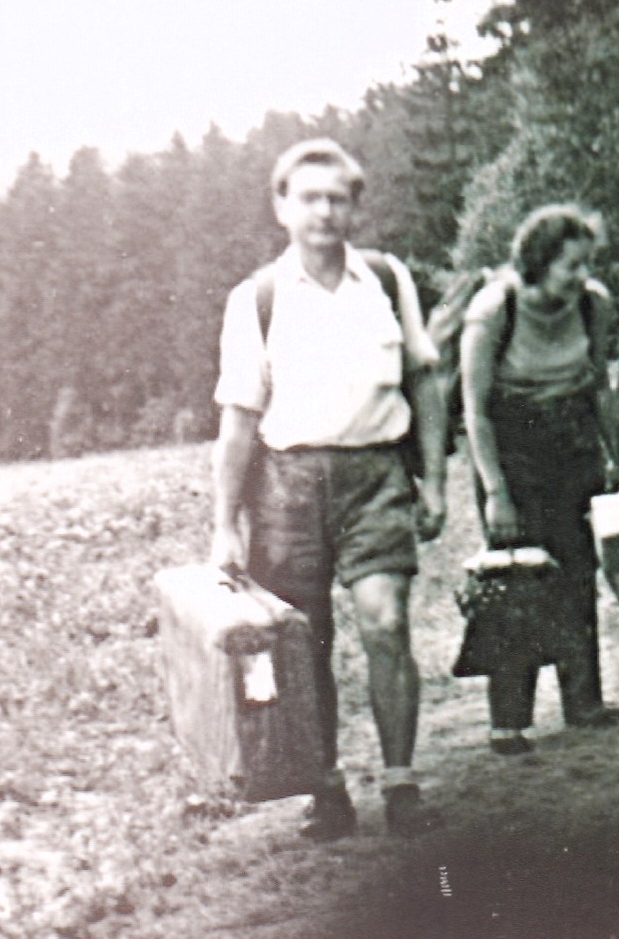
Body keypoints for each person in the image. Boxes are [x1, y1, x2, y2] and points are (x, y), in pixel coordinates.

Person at [210, 138, 447, 841]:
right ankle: (327, 788)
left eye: (338, 199)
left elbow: (425, 382)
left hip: (376, 477)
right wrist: (224, 526)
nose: (324, 212)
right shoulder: (256, 299)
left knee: (386, 621)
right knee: (301, 645)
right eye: (309, 198)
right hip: (287, 488)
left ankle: (401, 783)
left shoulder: (387, 280)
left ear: (355, 209)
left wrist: (435, 480)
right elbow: (237, 422)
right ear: (281, 206)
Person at [460, 203, 619, 755]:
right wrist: (496, 492)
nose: (582, 276)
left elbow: (599, 386)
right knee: (517, 582)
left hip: (573, 448)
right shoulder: (494, 310)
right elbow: (475, 410)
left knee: (579, 574)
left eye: (587, 263)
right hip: (512, 453)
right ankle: (509, 720)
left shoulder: (595, 305)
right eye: (570, 265)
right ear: (537, 261)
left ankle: (585, 704)